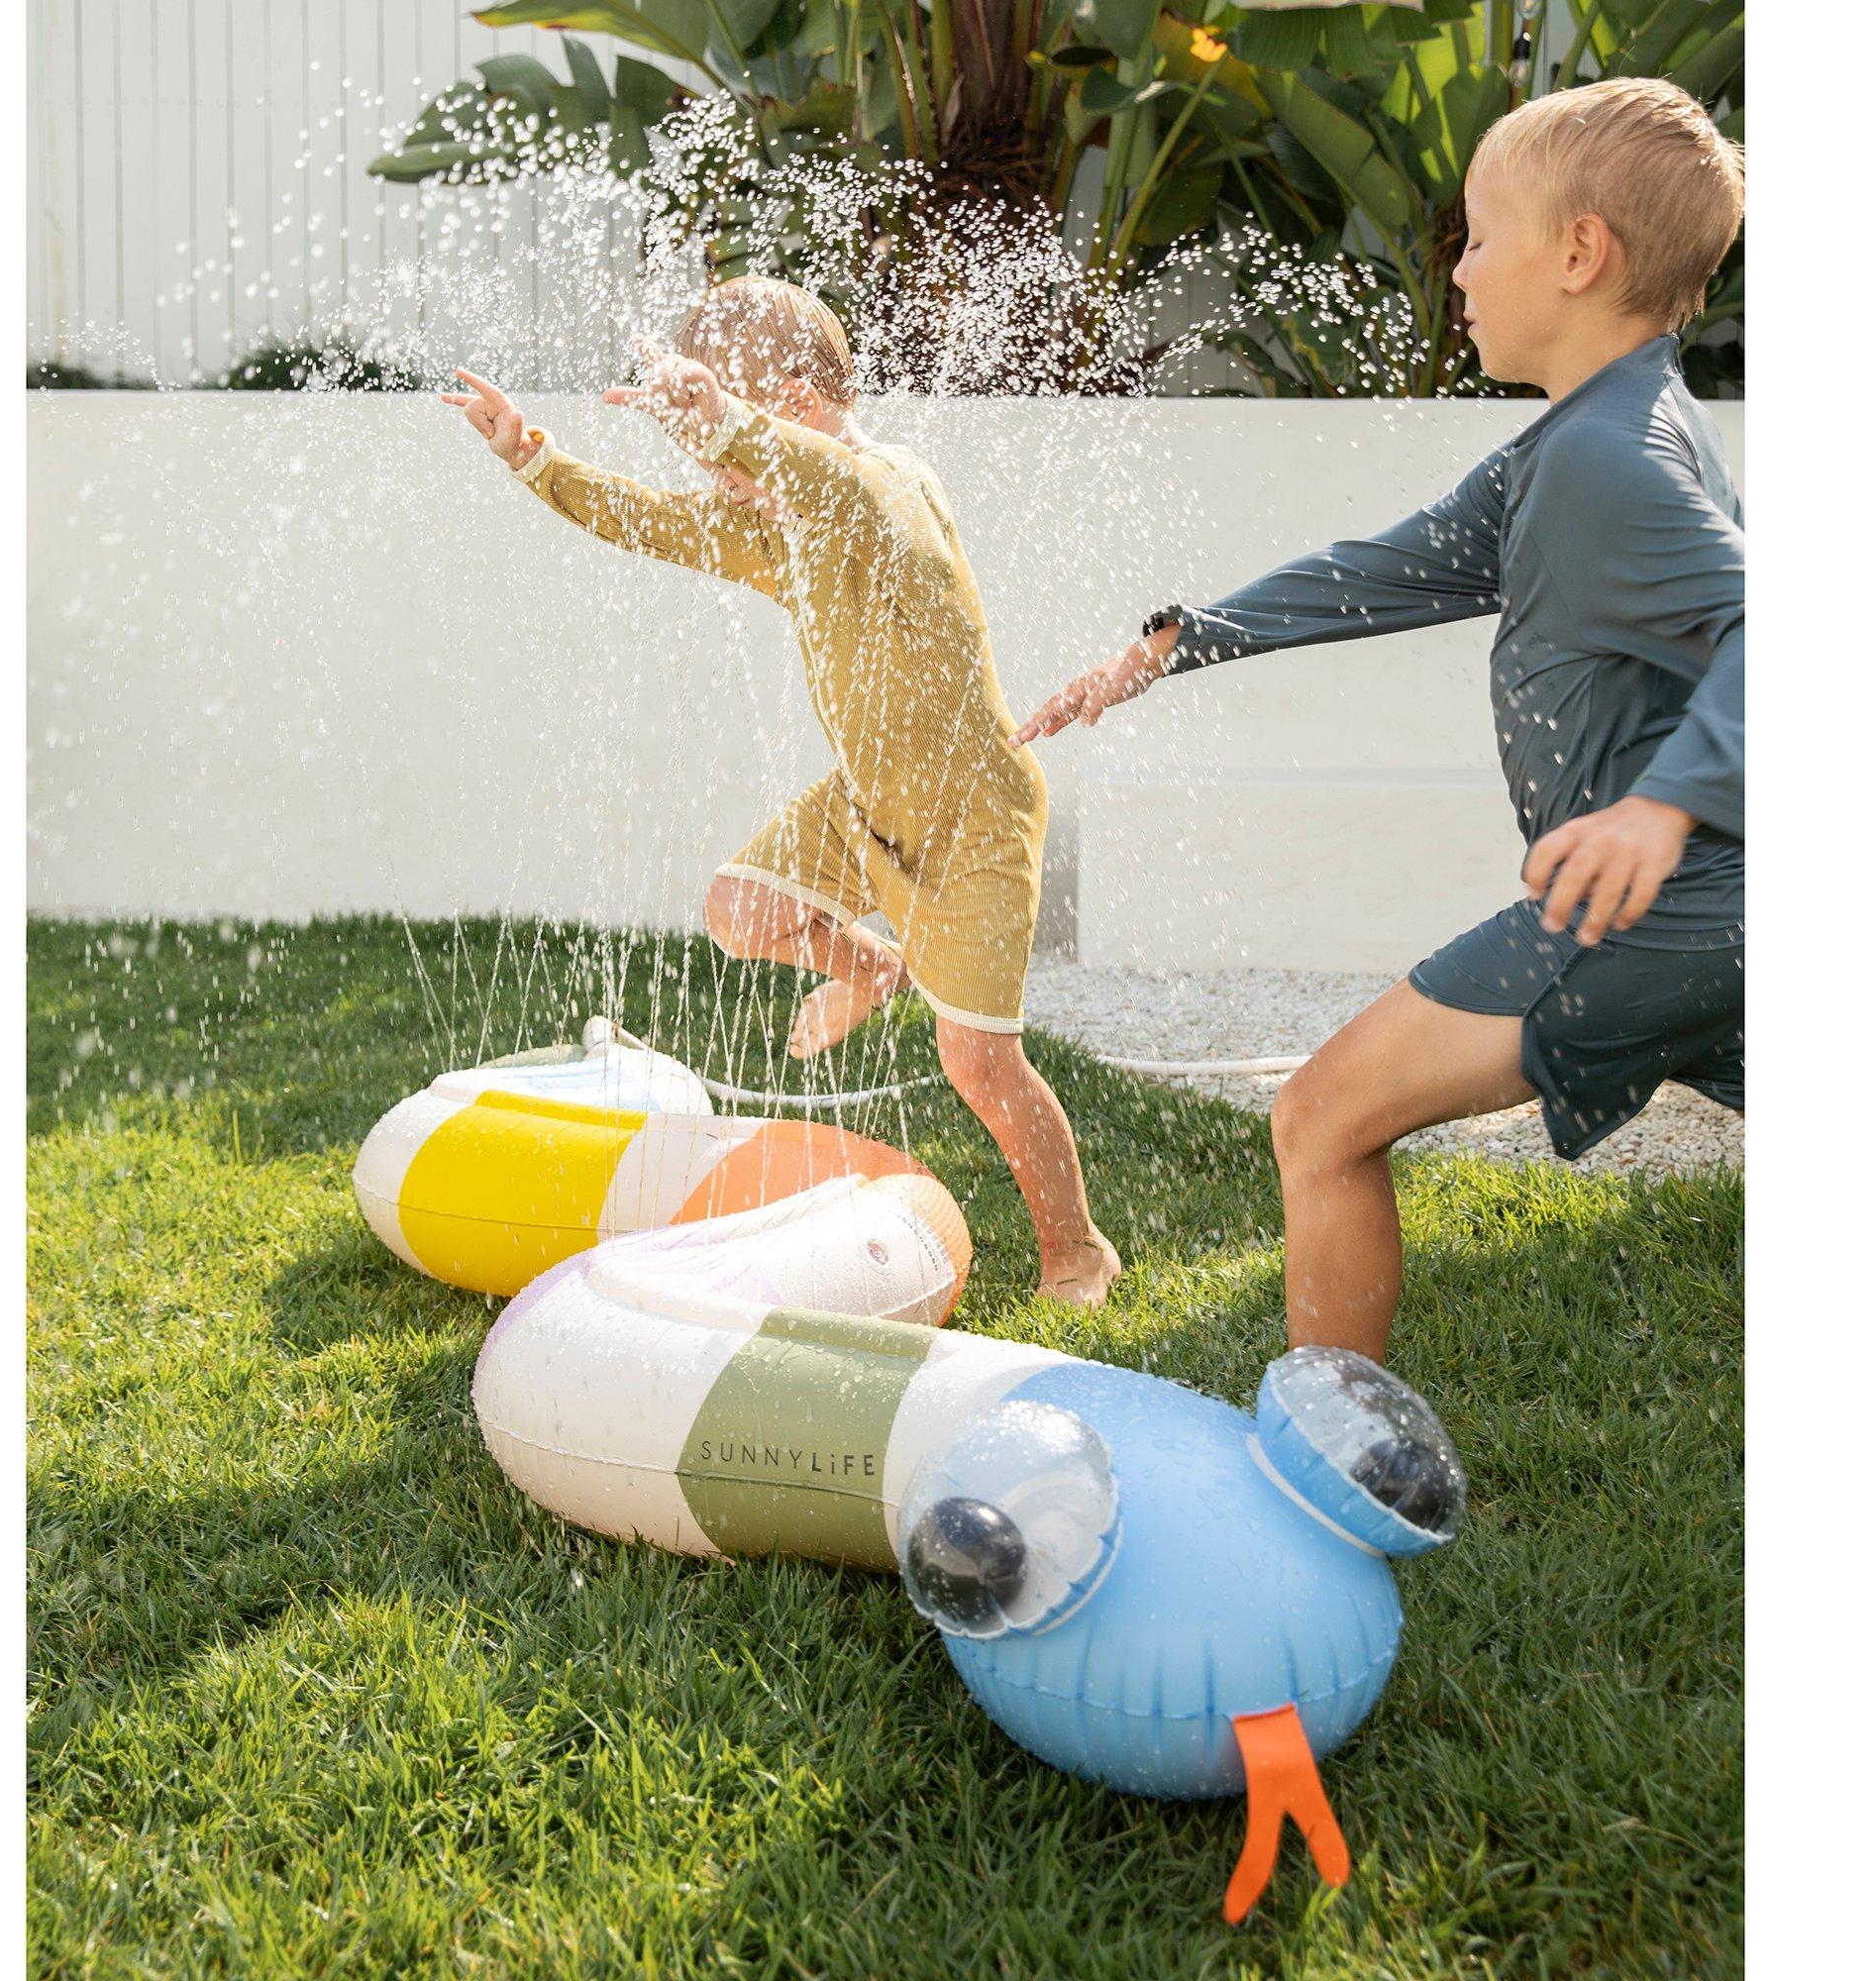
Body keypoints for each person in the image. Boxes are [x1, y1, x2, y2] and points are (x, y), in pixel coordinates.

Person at [1013, 78, 1744, 1361]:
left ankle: (1336, 1445)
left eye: (1475, 235)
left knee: (1321, 1118)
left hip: (1658, 908)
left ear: (1580, 254)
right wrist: (1172, 647)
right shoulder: (1587, 439)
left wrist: (1656, 803)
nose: (1455, 273)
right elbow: (1394, 565)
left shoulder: (1605, 463)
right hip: (1725, 911)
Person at [445, 277, 1119, 1304]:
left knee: (978, 1065)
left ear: (796, 408)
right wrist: (528, 455)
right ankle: (868, 965)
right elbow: (648, 523)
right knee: (738, 905)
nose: (706, 473)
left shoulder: (890, 486)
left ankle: (1076, 1248)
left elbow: (847, 490)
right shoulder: (777, 530)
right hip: (865, 805)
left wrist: (728, 425)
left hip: (972, 812)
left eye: (711, 446)